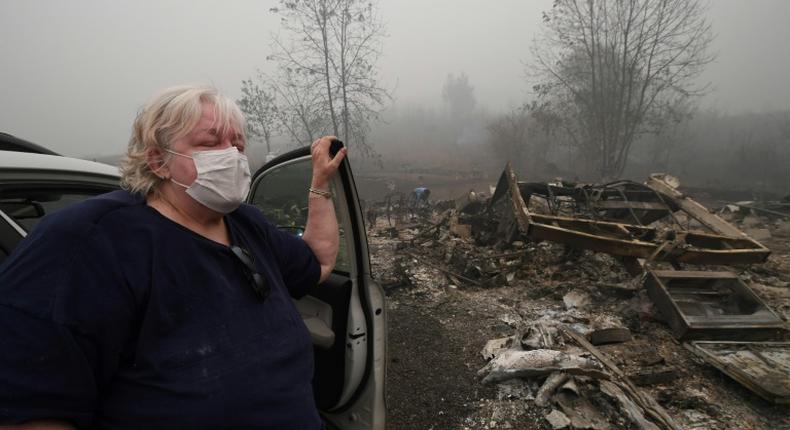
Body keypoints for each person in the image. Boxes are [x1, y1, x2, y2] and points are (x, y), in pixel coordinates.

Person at [0, 85, 347, 429]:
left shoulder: (245, 222)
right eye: (210, 143)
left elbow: (317, 261)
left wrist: (319, 184)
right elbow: (31, 413)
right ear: (158, 161)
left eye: (237, 145)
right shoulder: (89, 241)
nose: (231, 156)